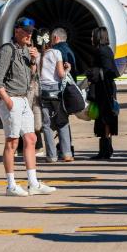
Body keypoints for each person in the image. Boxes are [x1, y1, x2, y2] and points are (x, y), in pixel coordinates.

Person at [0, 17, 56, 197]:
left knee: (31, 139)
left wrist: (34, 61)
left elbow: (31, 76)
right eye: (26, 30)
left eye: (31, 31)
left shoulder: (26, 51)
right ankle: (11, 186)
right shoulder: (7, 50)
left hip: (24, 99)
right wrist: (8, 101)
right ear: (16, 31)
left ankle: (33, 183)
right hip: (11, 99)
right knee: (12, 142)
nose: (29, 34)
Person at [34, 28, 73, 163]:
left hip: (43, 92)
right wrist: (68, 69)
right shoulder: (56, 53)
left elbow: (35, 74)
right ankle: (67, 153)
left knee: (47, 124)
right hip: (56, 91)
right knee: (62, 121)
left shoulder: (38, 56)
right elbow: (61, 75)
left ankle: (51, 156)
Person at [89, 27, 120, 160]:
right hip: (105, 87)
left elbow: (107, 70)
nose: (91, 38)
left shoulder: (102, 51)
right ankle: (107, 148)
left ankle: (105, 150)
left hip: (104, 88)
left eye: (93, 35)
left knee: (105, 118)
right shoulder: (106, 50)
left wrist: (93, 73)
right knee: (105, 117)